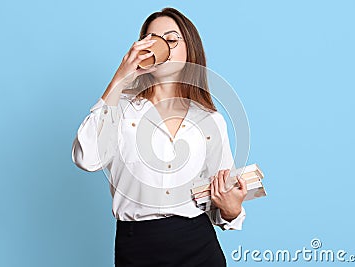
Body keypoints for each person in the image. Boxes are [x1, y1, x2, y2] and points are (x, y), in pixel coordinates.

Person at [72, 7, 248, 267]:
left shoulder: (210, 120)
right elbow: (87, 158)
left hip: (198, 244)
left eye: (172, 39)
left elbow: (220, 198)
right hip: (138, 246)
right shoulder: (119, 107)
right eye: (152, 39)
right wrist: (119, 79)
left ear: (190, 50)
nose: (160, 46)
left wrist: (231, 210)